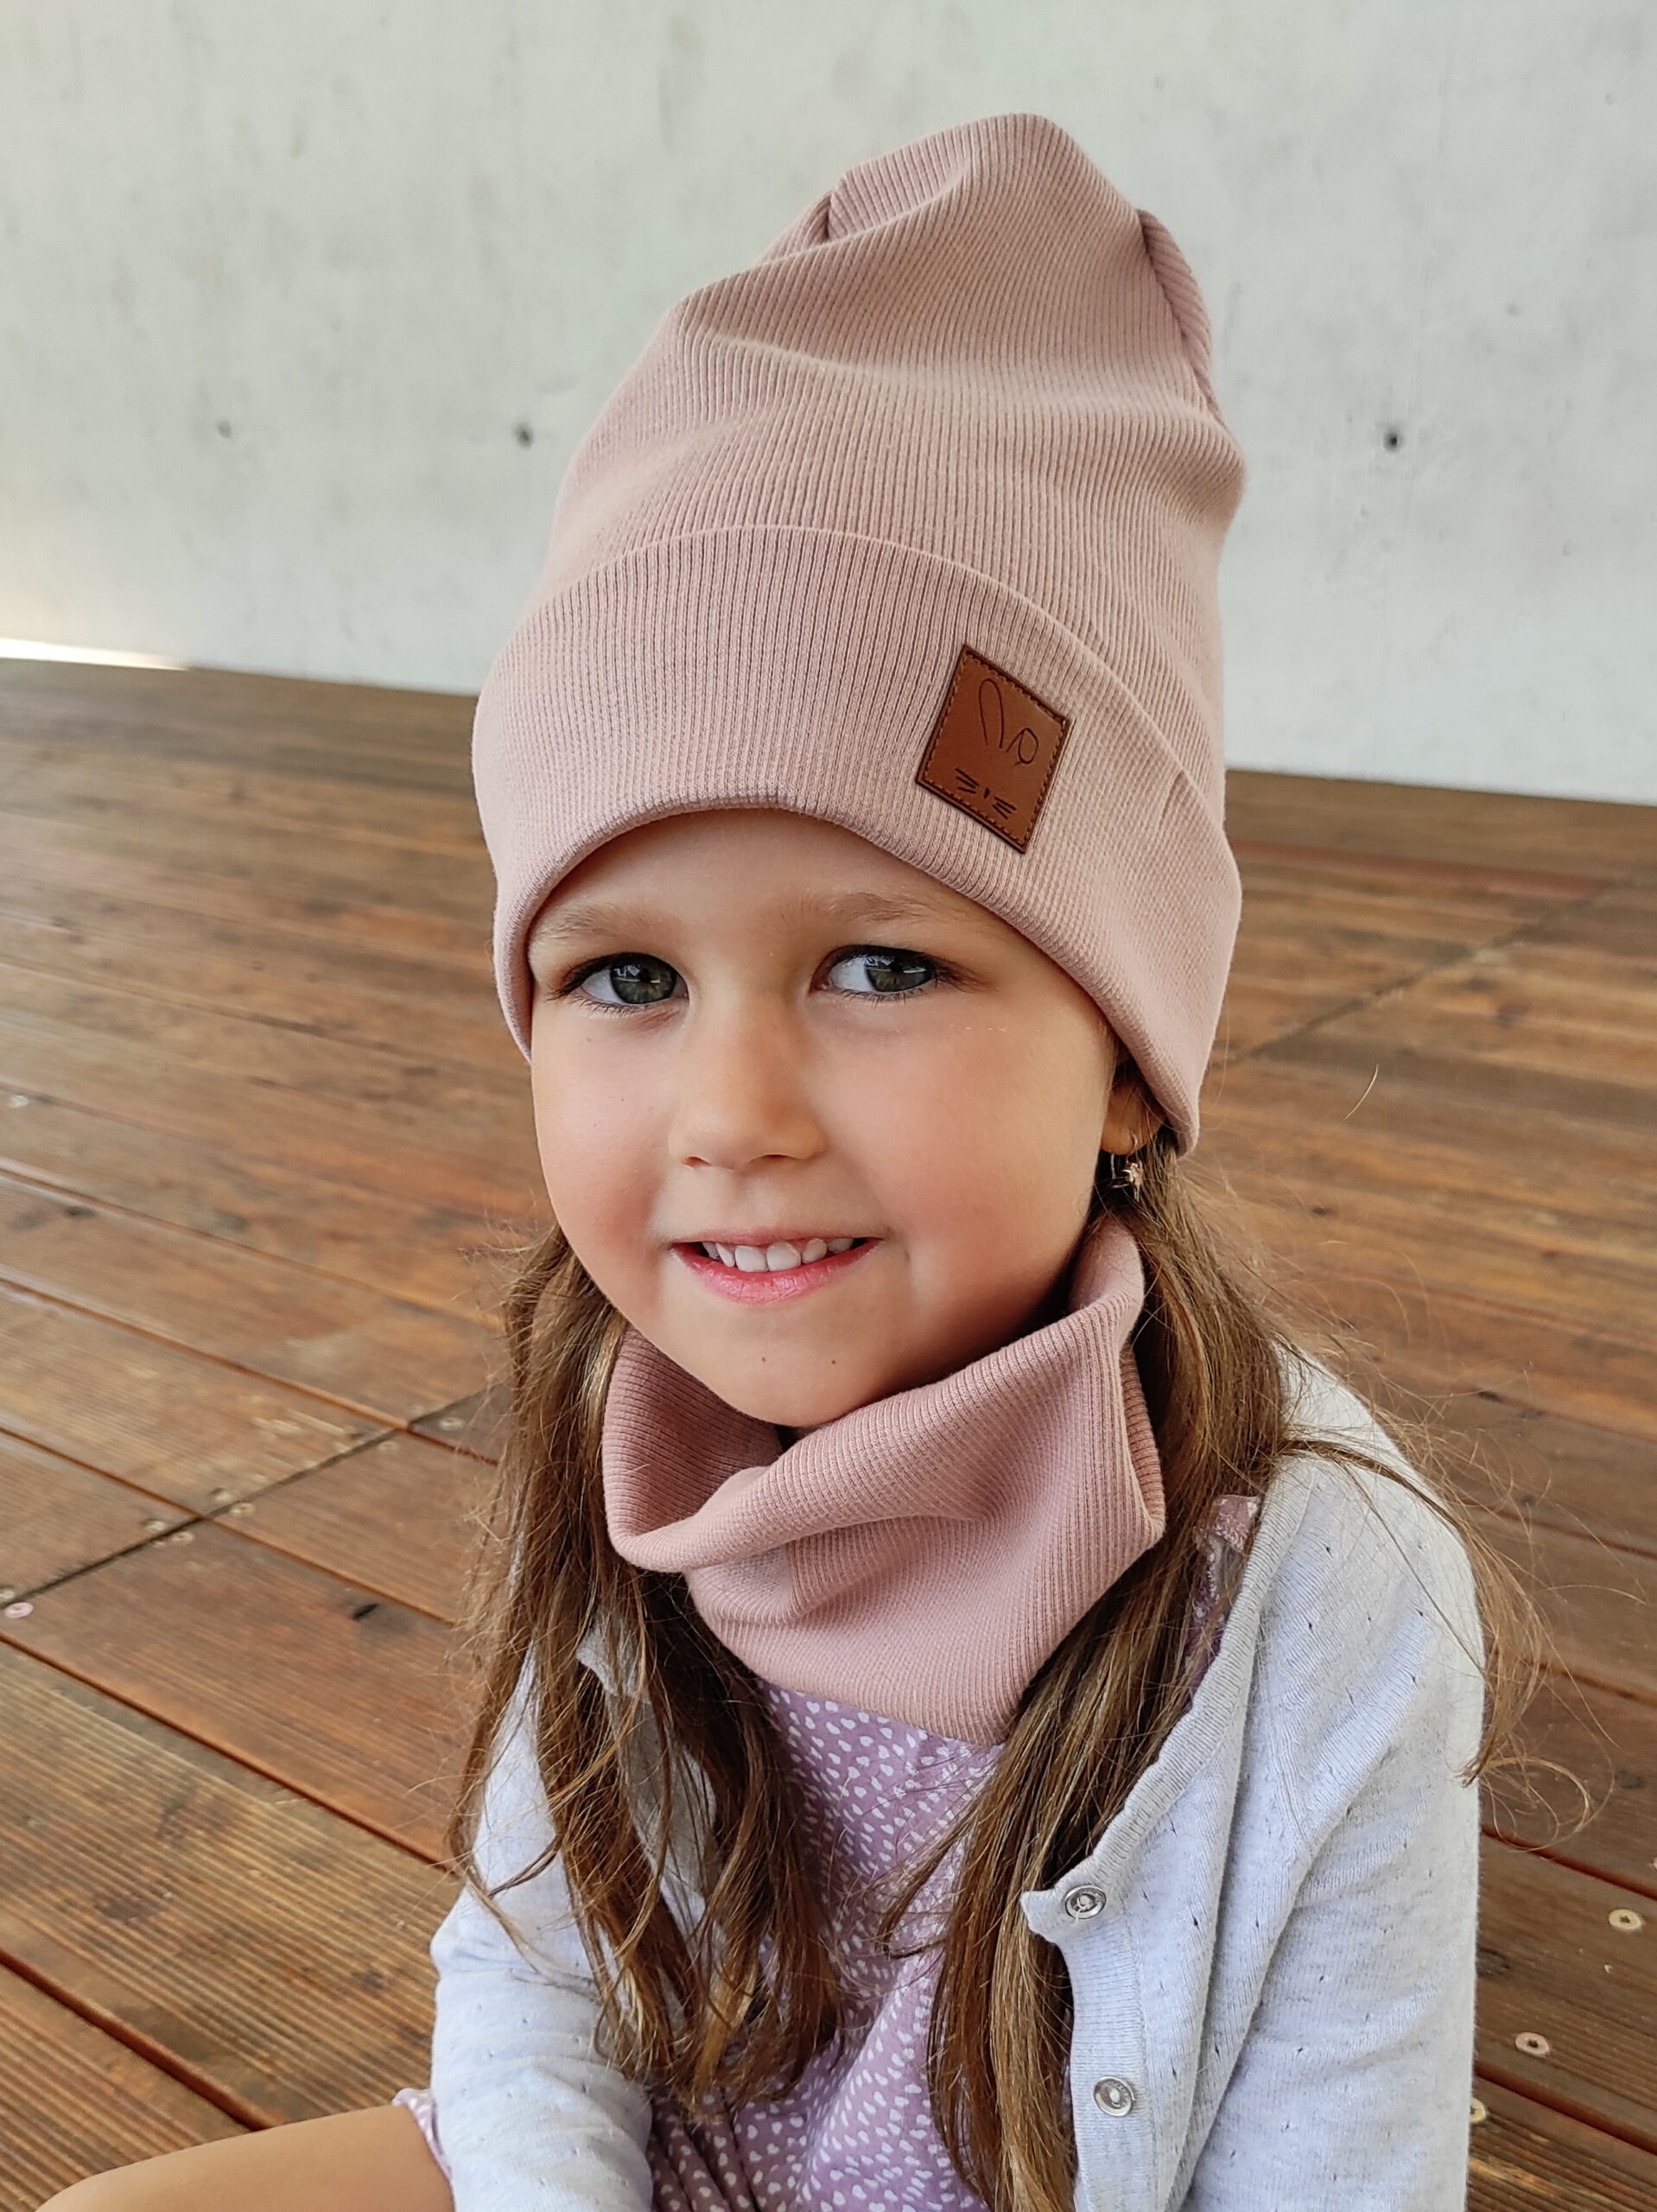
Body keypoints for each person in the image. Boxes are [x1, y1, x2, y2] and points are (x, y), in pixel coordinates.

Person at [47, 111, 1514, 2212]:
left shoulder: (1316, 1586)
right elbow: (533, 1973)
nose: (729, 1111)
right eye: (628, 973)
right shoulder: (626, 1406)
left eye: (882, 962)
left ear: (1125, 1061)